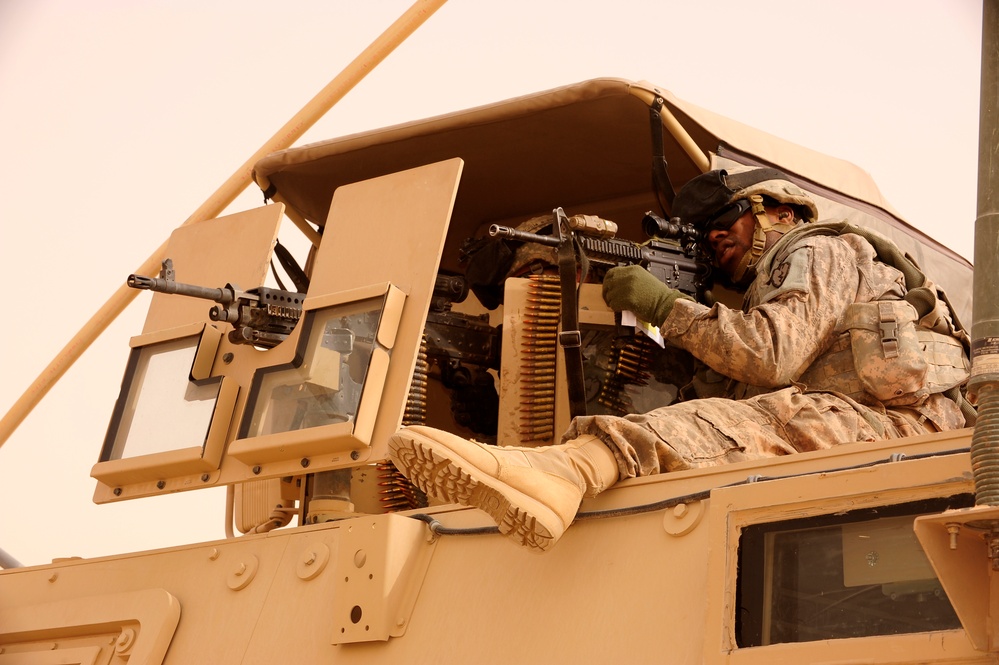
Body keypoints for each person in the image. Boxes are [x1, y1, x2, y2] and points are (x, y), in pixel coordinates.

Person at [388, 167, 972, 553]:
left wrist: (664, 306)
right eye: (703, 234)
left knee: (765, 419)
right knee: (739, 417)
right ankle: (553, 470)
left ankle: (567, 473)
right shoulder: (763, 290)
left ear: (778, 213)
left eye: (726, 221)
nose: (715, 239)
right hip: (863, 424)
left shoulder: (820, 248)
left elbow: (772, 354)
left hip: (907, 426)